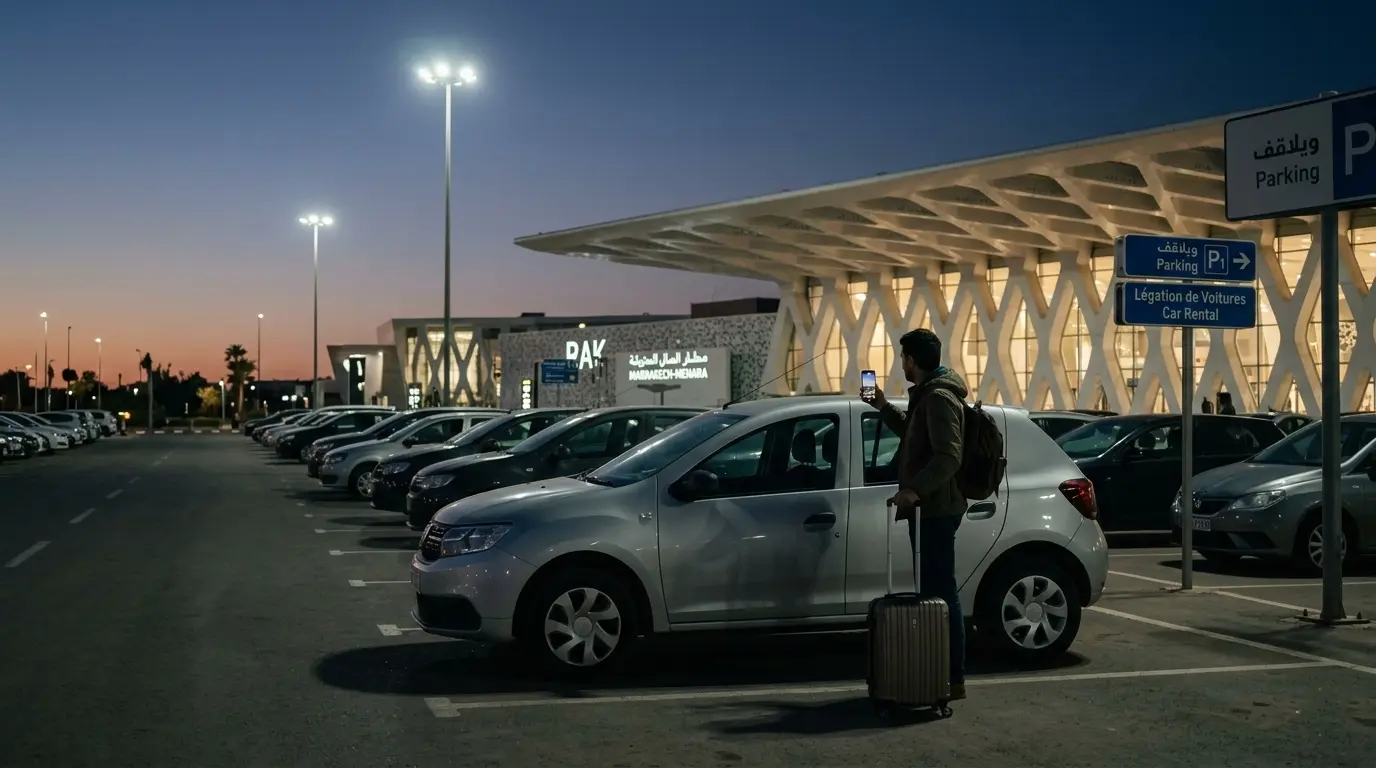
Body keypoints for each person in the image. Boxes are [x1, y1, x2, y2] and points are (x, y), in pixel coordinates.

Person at [869, 328, 968, 701]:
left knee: (941, 595)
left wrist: (914, 490)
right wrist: (881, 406)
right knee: (935, 592)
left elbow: (949, 456)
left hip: (936, 510)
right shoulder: (927, 395)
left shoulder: (939, 397)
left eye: (902, 357)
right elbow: (915, 435)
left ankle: (952, 676)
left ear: (911, 360)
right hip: (930, 508)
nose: (901, 364)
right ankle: (940, 673)